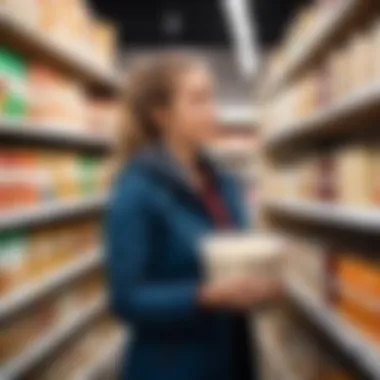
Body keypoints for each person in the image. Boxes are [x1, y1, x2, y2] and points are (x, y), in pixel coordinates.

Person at [106, 52, 281, 380]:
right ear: (162, 114)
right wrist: (206, 296)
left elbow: (233, 257)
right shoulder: (136, 189)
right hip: (171, 366)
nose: (213, 110)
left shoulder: (224, 182)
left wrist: (261, 279)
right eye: (198, 100)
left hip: (230, 357)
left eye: (212, 97)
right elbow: (125, 299)